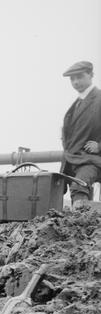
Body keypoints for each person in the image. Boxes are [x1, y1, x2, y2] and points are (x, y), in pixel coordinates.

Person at [61, 60, 101, 207]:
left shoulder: (99, 99)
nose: (76, 82)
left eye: (80, 77)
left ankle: (81, 221)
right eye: (72, 79)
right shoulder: (77, 103)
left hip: (91, 160)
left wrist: (99, 146)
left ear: (91, 75)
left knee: (79, 187)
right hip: (72, 160)